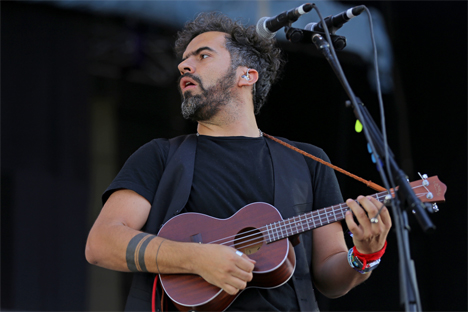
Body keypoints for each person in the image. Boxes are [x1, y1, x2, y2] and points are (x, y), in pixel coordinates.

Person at [85, 12, 391, 312]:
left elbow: (330, 278)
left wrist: (365, 255)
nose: (184, 65)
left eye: (202, 56)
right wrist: (194, 258)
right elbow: (102, 242)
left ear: (247, 75)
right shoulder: (160, 156)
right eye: (183, 61)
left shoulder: (307, 162)